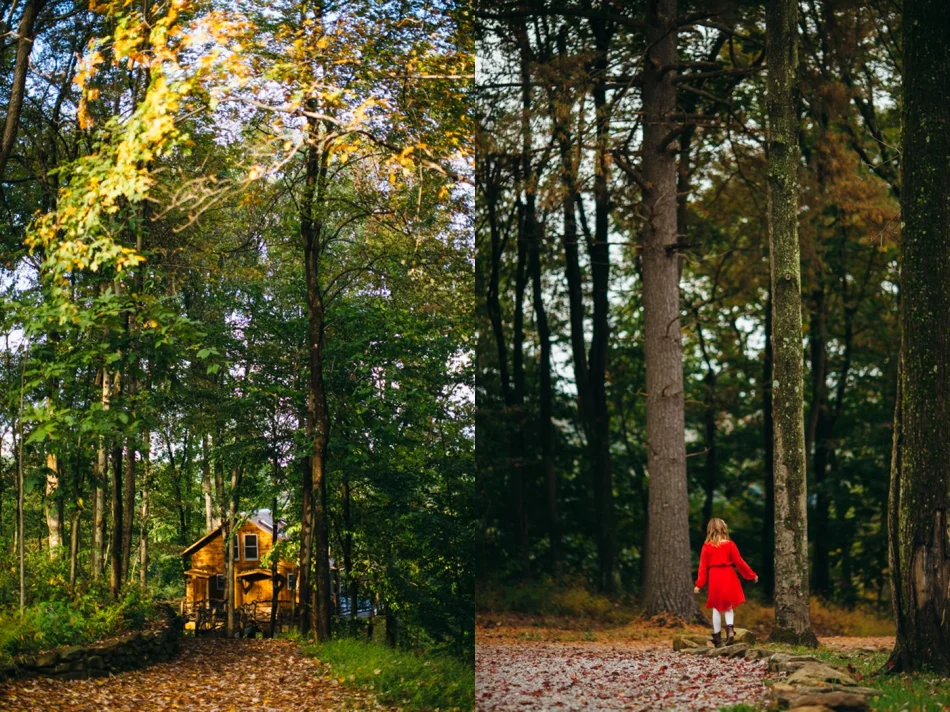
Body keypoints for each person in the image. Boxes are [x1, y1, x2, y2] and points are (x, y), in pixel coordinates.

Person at [693, 518, 758, 647]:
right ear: (723, 528)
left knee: (716, 607)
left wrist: (699, 584)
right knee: (729, 606)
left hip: (714, 577)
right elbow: (739, 562)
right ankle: (730, 630)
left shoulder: (706, 547)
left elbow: (702, 567)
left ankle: (717, 638)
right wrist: (751, 575)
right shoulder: (730, 544)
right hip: (728, 575)